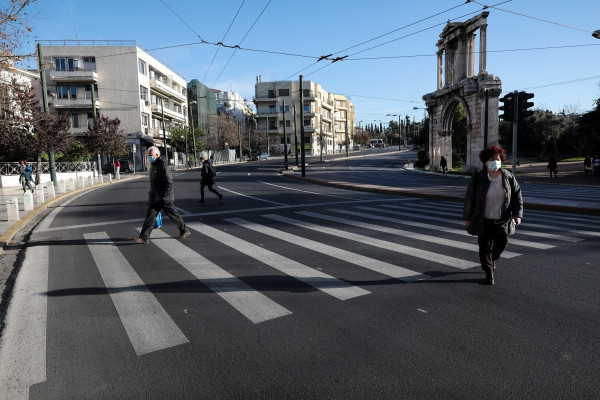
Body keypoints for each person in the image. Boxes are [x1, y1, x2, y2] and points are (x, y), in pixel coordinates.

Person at [463, 145, 523, 285]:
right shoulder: (478, 178)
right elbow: (469, 198)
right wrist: (467, 216)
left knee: (503, 243)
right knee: (484, 247)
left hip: (502, 219)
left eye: (498, 159)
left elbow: (517, 196)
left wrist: (517, 214)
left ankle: (493, 258)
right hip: (483, 219)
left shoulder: (508, 177)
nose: (495, 162)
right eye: (492, 159)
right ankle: (489, 274)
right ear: (485, 161)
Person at [134, 146, 190, 244]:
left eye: (150, 155)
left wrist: (164, 196)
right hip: (155, 198)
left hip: (164, 198)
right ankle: (144, 237)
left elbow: (169, 182)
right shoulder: (154, 165)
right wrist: (151, 195)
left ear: (157, 155)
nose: (149, 157)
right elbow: (154, 183)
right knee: (150, 217)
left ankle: (184, 230)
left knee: (174, 214)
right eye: (148, 156)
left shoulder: (163, 165)